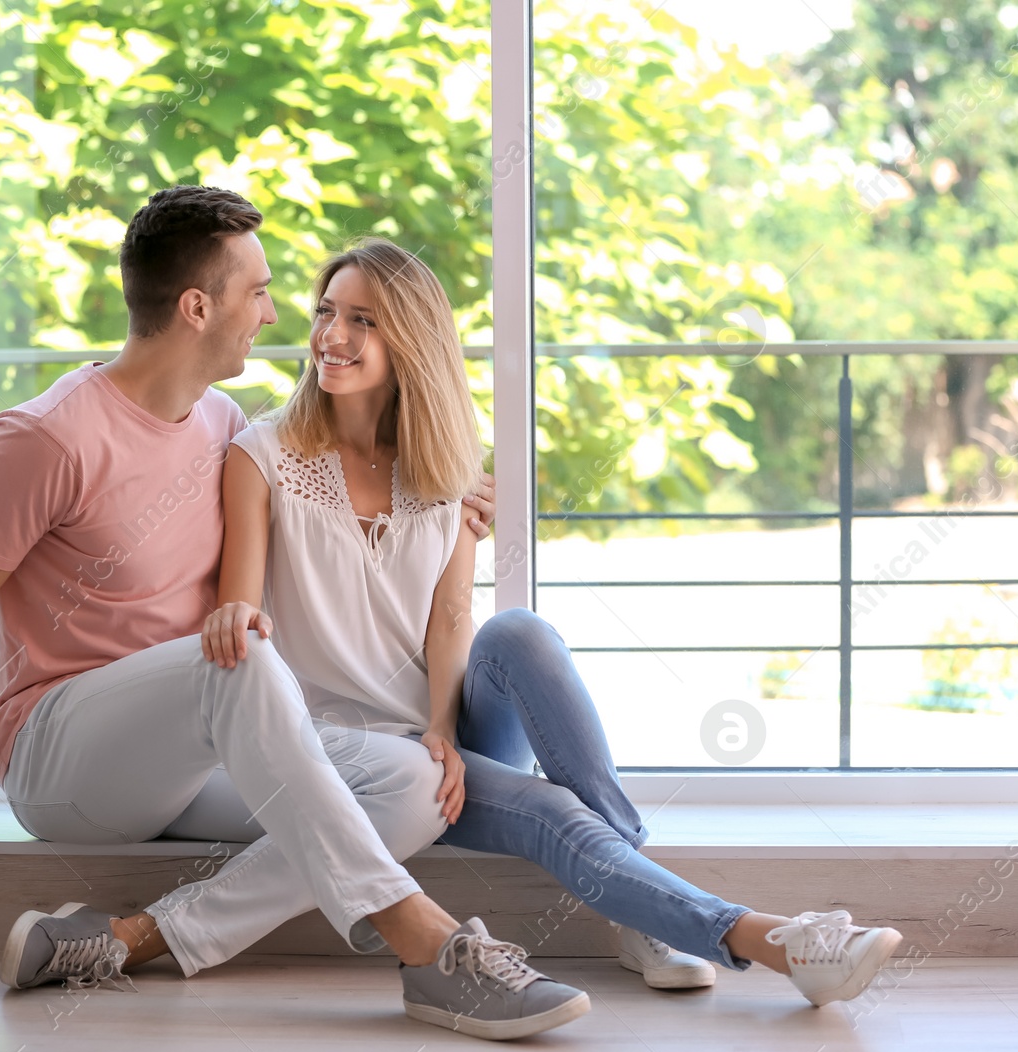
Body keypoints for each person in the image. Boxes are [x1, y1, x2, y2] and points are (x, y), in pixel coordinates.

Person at [0, 186, 591, 1041]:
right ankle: (427, 948)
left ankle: (124, 940)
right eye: (257, 290)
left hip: (196, 746)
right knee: (243, 656)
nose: (276, 310)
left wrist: (451, 493)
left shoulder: (220, 423)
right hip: (63, 756)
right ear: (196, 306)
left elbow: (328, 469)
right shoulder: (45, 439)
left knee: (411, 783)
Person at [194, 236, 904, 1008]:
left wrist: (440, 731)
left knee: (519, 631)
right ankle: (772, 939)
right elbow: (244, 618)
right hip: (349, 759)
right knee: (553, 811)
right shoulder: (259, 457)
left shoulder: (445, 468)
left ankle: (656, 909)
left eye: (364, 319)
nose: (333, 336)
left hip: (434, 740)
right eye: (327, 312)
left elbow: (453, 616)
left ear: (412, 341)